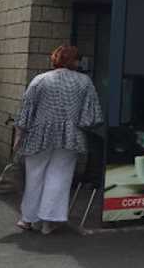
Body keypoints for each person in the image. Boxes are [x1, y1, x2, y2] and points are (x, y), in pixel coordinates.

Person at [14, 45, 104, 234]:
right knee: (59, 177)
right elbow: (92, 116)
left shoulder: (40, 80)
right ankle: (49, 222)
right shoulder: (84, 82)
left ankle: (27, 219)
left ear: (55, 59)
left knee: (34, 177)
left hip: (38, 135)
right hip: (70, 137)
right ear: (75, 61)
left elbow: (26, 110)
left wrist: (20, 135)